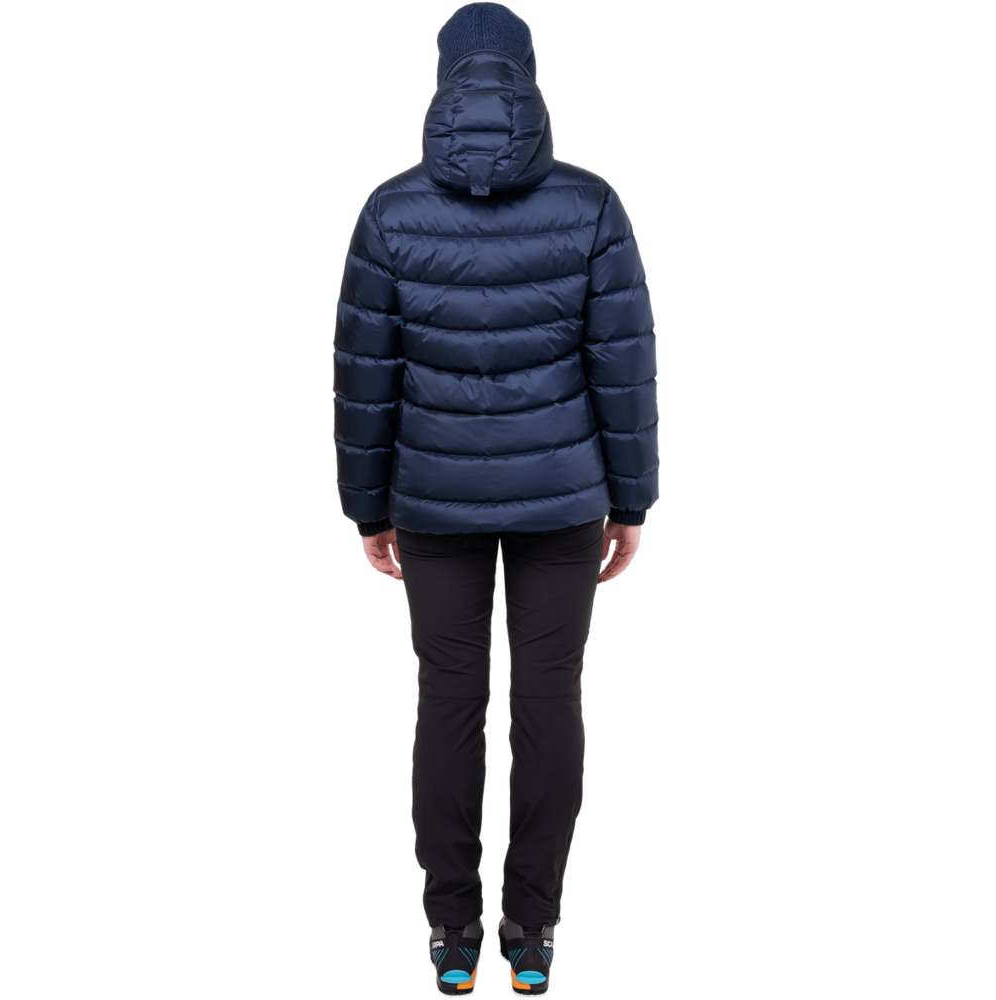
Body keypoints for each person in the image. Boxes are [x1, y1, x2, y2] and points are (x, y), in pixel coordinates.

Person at [331, 4, 658, 996]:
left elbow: (362, 378)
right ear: (529, 80)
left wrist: (367, 509)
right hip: (564, 500)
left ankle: (450, 934)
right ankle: (532, 933)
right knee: (550, 697)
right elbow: (623, 369)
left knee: (448, 699)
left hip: (431, 499)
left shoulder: (389, 210)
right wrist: (631, 502)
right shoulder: (592, 202)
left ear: (442, 82)